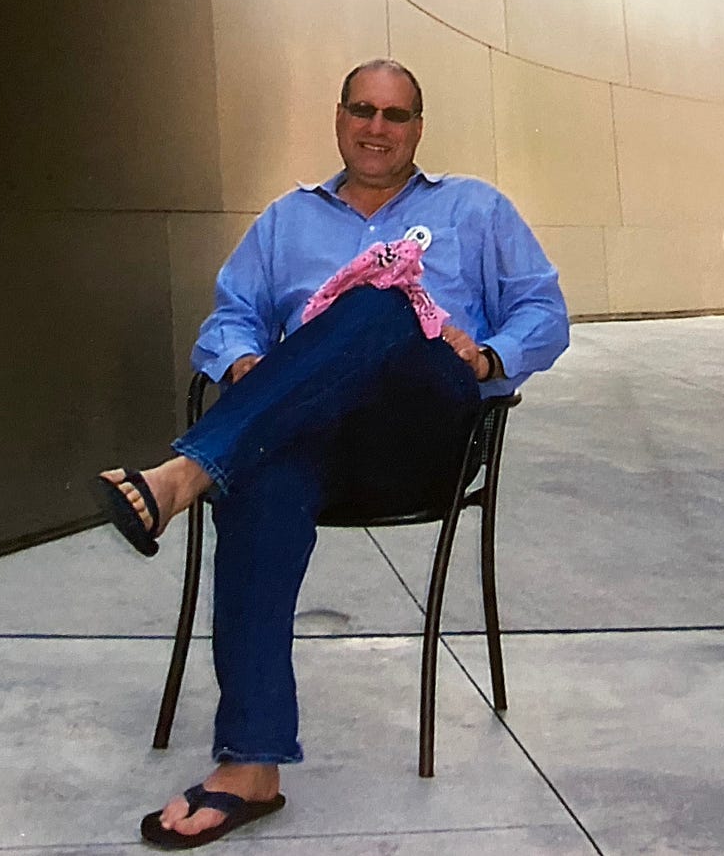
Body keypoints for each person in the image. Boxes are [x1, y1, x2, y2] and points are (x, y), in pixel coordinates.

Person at [89, 58, 569, 848]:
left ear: (419, 127)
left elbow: (545, 313)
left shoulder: (475, 208)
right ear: (339, 117)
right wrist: (247, 362)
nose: (377, 127)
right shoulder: (286, 220)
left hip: (422, 437)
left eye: (395, 114)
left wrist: (488, 356)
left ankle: (185, 470)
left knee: (384, 300)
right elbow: (230, 317)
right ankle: (251, 763)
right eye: (362, 110)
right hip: (309, 435)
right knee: (260, 475)